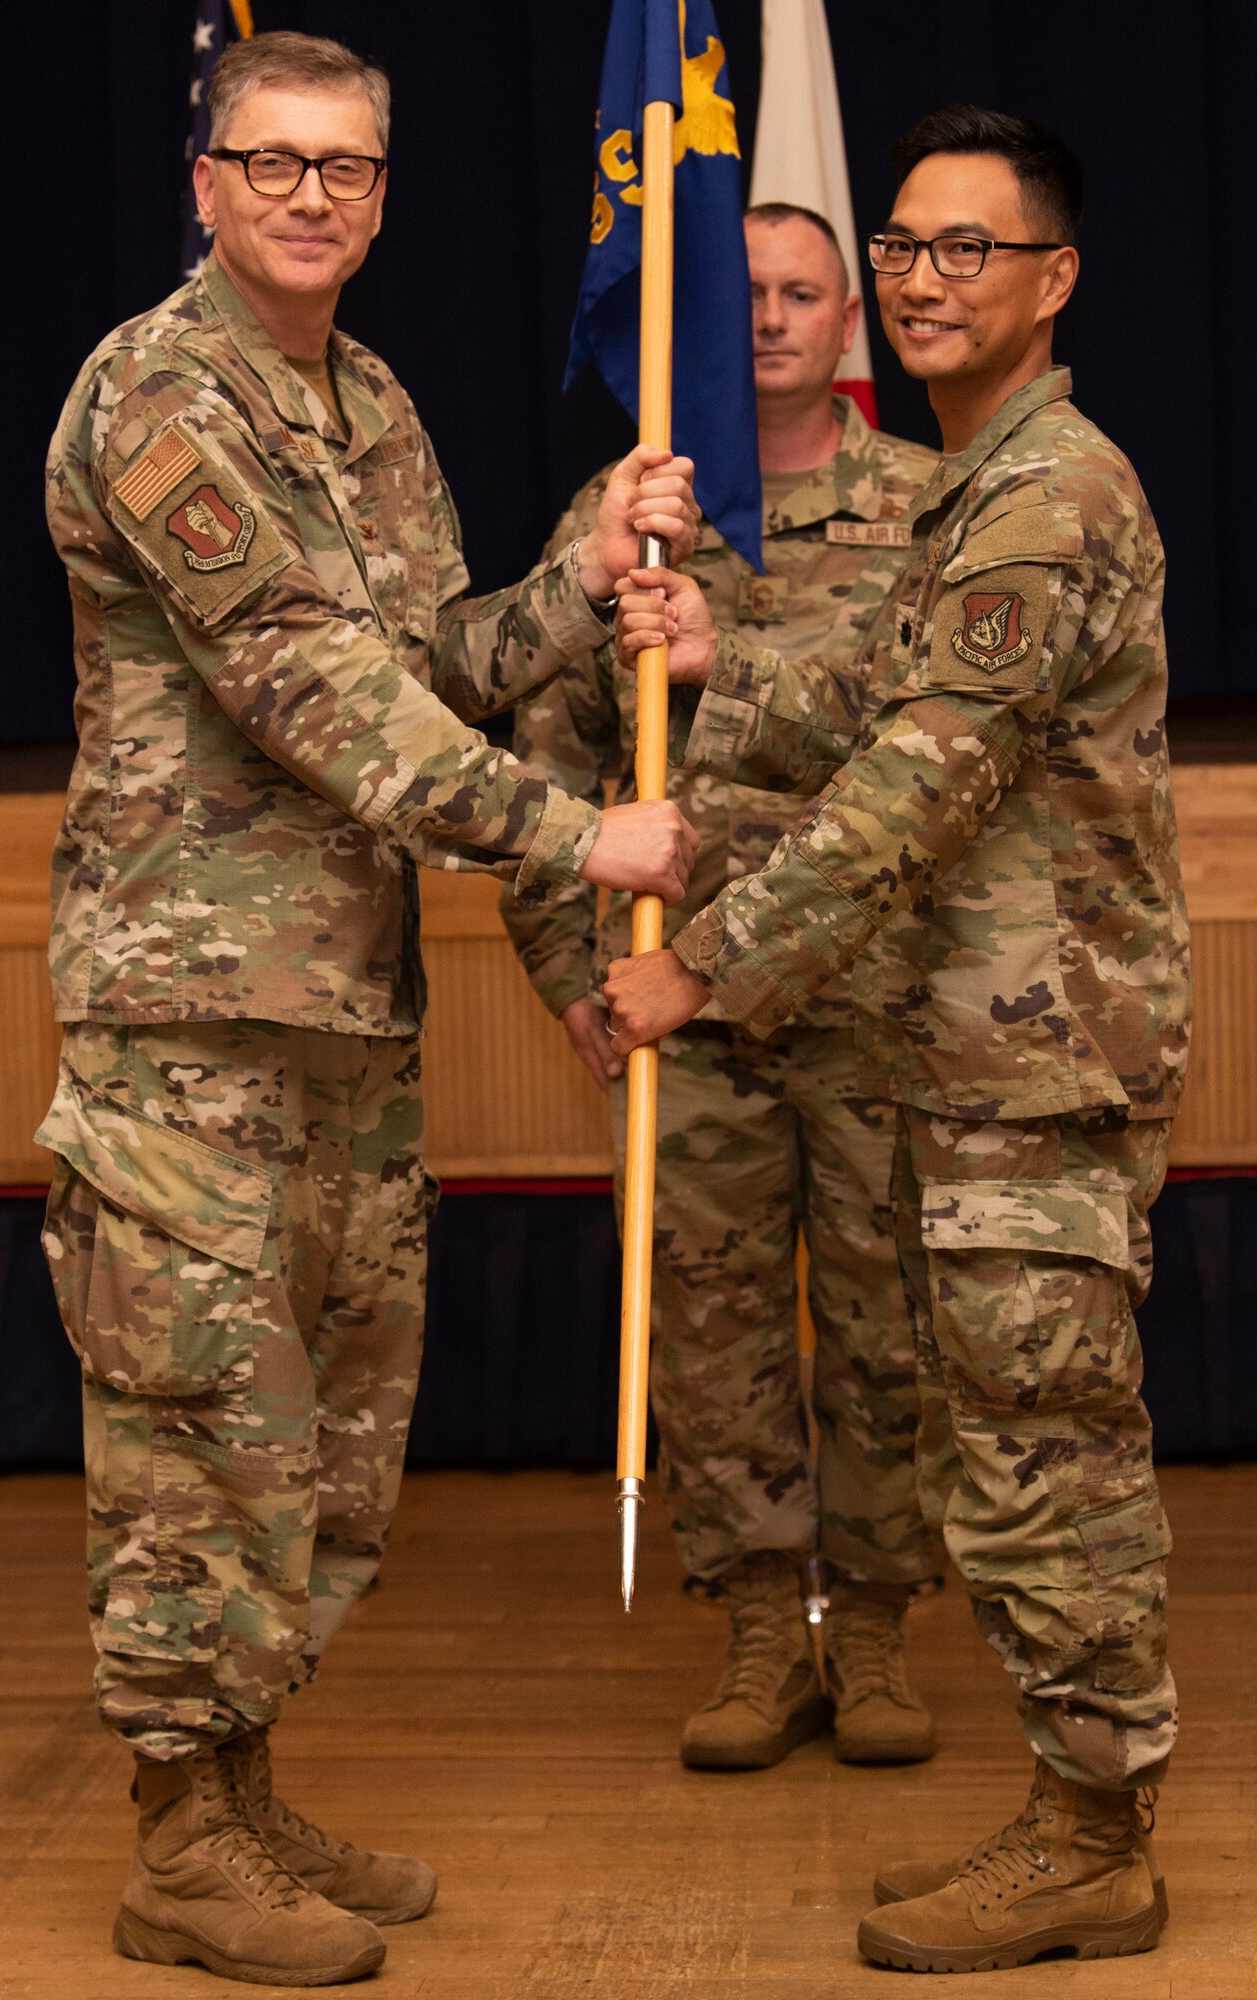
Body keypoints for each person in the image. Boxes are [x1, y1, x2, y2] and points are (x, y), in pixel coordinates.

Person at [36, 30, 699, 1989]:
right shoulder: (160, 395)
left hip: (341, 1015)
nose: (310, 194)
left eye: (345, 167)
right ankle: (177, 1844)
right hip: (191, 1025)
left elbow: (430, 663)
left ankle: (241, 1794)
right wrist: (588, 841)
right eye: (272, 161)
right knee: (196, 1441)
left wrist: (579, 586)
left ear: (385, 193)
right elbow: (318, 701)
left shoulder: (374, 404)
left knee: (318, 1455)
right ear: (206, 180)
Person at [608, 106, 1189, 1973]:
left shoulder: (1045, 488)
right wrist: (733, 663)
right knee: (1012, 1456)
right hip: (977, 1060)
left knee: (1049, 1464)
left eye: (973, 250)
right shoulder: (970, 488)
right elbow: (888, 685)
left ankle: (1096, 1838)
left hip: (1036, 1062)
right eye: (911, 251)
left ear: (1055, 278)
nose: (929, 282)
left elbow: (921, 779)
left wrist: (706, 972)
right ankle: (1071, 1817)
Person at [503, 204, 942, 1773]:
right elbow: (543, 761)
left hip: (885, 993)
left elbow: (945, 741)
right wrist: (568, 970)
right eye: (738, 292)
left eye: (800, 293)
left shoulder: (929, 504)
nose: (766, 318)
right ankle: (765, 1631)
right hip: (670, 1013)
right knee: (712, 1325)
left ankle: (876, 1633)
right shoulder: (632, 513)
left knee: (895, 1323)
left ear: (848, 326)